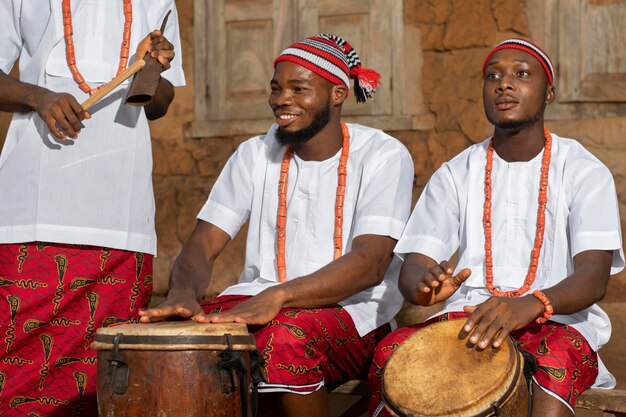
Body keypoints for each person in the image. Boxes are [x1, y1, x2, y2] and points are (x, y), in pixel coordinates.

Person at [140, 34, 413, 417]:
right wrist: (183, 292)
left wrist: (279, 296)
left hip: (354, 316)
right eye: (276, 89)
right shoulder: (255, 153)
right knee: (165, 342)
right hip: (258, 303)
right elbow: (203, 244)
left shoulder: (383, 155)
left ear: (337, 94)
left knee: (283, 338)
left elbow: (371, 262)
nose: (282, 100)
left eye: (299, 89)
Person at [367, 38, 624, 417]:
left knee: (555, 360)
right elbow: (415, 266)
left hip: (556, 322)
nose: (504, 84)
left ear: (548, 92)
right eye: (493, 77)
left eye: (521, 74)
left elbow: (594, 276)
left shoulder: (584, 171)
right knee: (392, 355)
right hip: (469, 318)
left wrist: (531, 304)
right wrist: (424, 286)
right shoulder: (456, 172)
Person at [0, 1, 185, 416]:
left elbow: (159, 103)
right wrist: (37, 96)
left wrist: (152, 68)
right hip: (33, 209)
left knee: (112, 379)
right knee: (15, 372)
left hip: (122, 215)